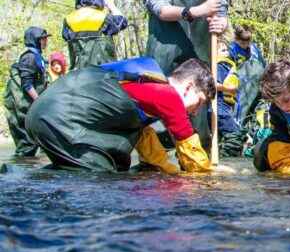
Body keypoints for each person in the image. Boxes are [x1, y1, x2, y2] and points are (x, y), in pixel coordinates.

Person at [25, 57, 218, 173]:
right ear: (188, 87)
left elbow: (153, 154)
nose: (197, 110)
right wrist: (209, 180)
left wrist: (172, 172)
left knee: (103, 167)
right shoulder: (169, 96)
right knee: (94, 180)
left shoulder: (146, 88)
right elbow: (193, 158)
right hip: (60, 116)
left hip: (41, 113)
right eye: (200, 101)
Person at [143, 0, 228, 149]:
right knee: (160, 120)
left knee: (197, 122)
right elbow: (160, 10)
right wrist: (196, 11)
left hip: (199, 61)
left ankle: (198, 170)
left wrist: (222, 23)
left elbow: (223, 17)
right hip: (164, 60)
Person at [3, 27, 50, 157]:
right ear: (36, 40)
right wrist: (40, 102)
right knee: (26, 144)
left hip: (27, 105)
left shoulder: (36, 56)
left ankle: (27, 170)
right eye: (43, 39)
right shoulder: (29, 57)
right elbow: (27, 85)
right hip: (21, 105)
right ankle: (21, 172)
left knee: (34, 142)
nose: (46, 41)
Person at [63, 0, 128, 70]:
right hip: (104, 73)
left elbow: (66, 36)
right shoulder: (104, 17)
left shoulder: (68, 20)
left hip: (79, 74)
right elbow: (123, 22)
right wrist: (110, 4)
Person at [215, 36, 245, 157]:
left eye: (226, 50)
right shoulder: (219, 65)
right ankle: (228, 157)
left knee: (224, 136)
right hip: (220, 108)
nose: (226, 53)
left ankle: (221, 155)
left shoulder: (227, 65)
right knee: (235, 135)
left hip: (226, 107)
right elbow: (214, 84)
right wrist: (229, 89)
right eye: (222, 51)